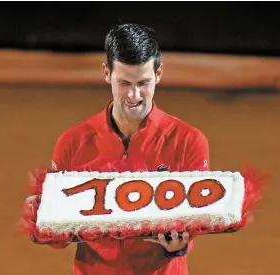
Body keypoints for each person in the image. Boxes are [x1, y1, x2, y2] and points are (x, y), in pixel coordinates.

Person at [31, 23, 210, 275]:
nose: (134, 95)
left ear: (159, 73)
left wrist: (178, 247)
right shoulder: (72, 142)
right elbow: (59, 239)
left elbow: (194, 224)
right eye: (124, 82)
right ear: (107, 73)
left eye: (143, 83)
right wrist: (44, 222)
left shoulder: (190, 141)